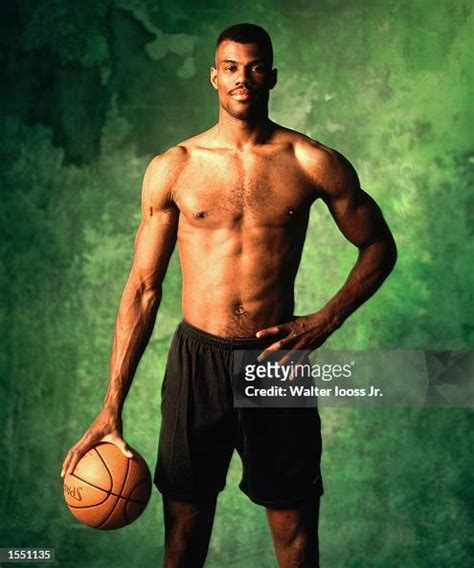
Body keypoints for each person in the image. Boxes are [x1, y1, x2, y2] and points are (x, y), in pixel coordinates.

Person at [61, 23, 397, 568]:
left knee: (295, 541)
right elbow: (144, 290)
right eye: (232, 67)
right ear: (215, 77)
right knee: (183, 540)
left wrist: (326, 320)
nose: (245, 78)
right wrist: (110, 406)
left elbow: (379, 246)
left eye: (256, 66)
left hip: (275, 363)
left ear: (273, 76)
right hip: (198, 361)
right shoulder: (176, 167)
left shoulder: (310, 161)